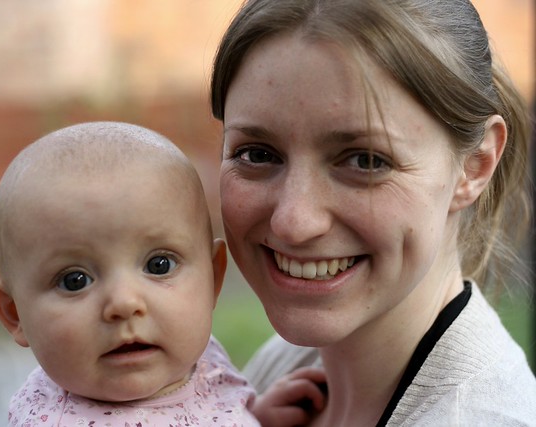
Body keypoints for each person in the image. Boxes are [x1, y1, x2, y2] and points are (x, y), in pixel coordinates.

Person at [210, 0, 536, 425]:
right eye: (257, 154)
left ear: (475, 166)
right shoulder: (284, 368)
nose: (294, 222)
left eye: (365, 161)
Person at [0, 121, 325, 426]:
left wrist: (252, 416)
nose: (124, 303)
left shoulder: (198, 359)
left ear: (213, 277)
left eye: (158, 265)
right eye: (75, 281)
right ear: (14, 313)